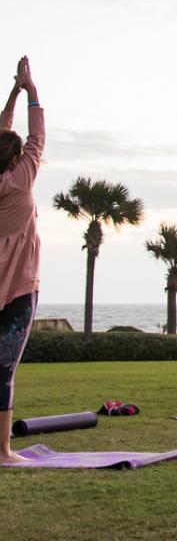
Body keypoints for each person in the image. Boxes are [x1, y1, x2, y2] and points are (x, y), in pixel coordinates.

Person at [0, 57, 43, 465]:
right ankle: (3, 452)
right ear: (16, 160)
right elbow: (36, 136)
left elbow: (5, 134)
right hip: (19, 288)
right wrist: (30, 89)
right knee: (4, 372)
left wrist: (13, 93)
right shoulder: (23, 177)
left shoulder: (7, 173)